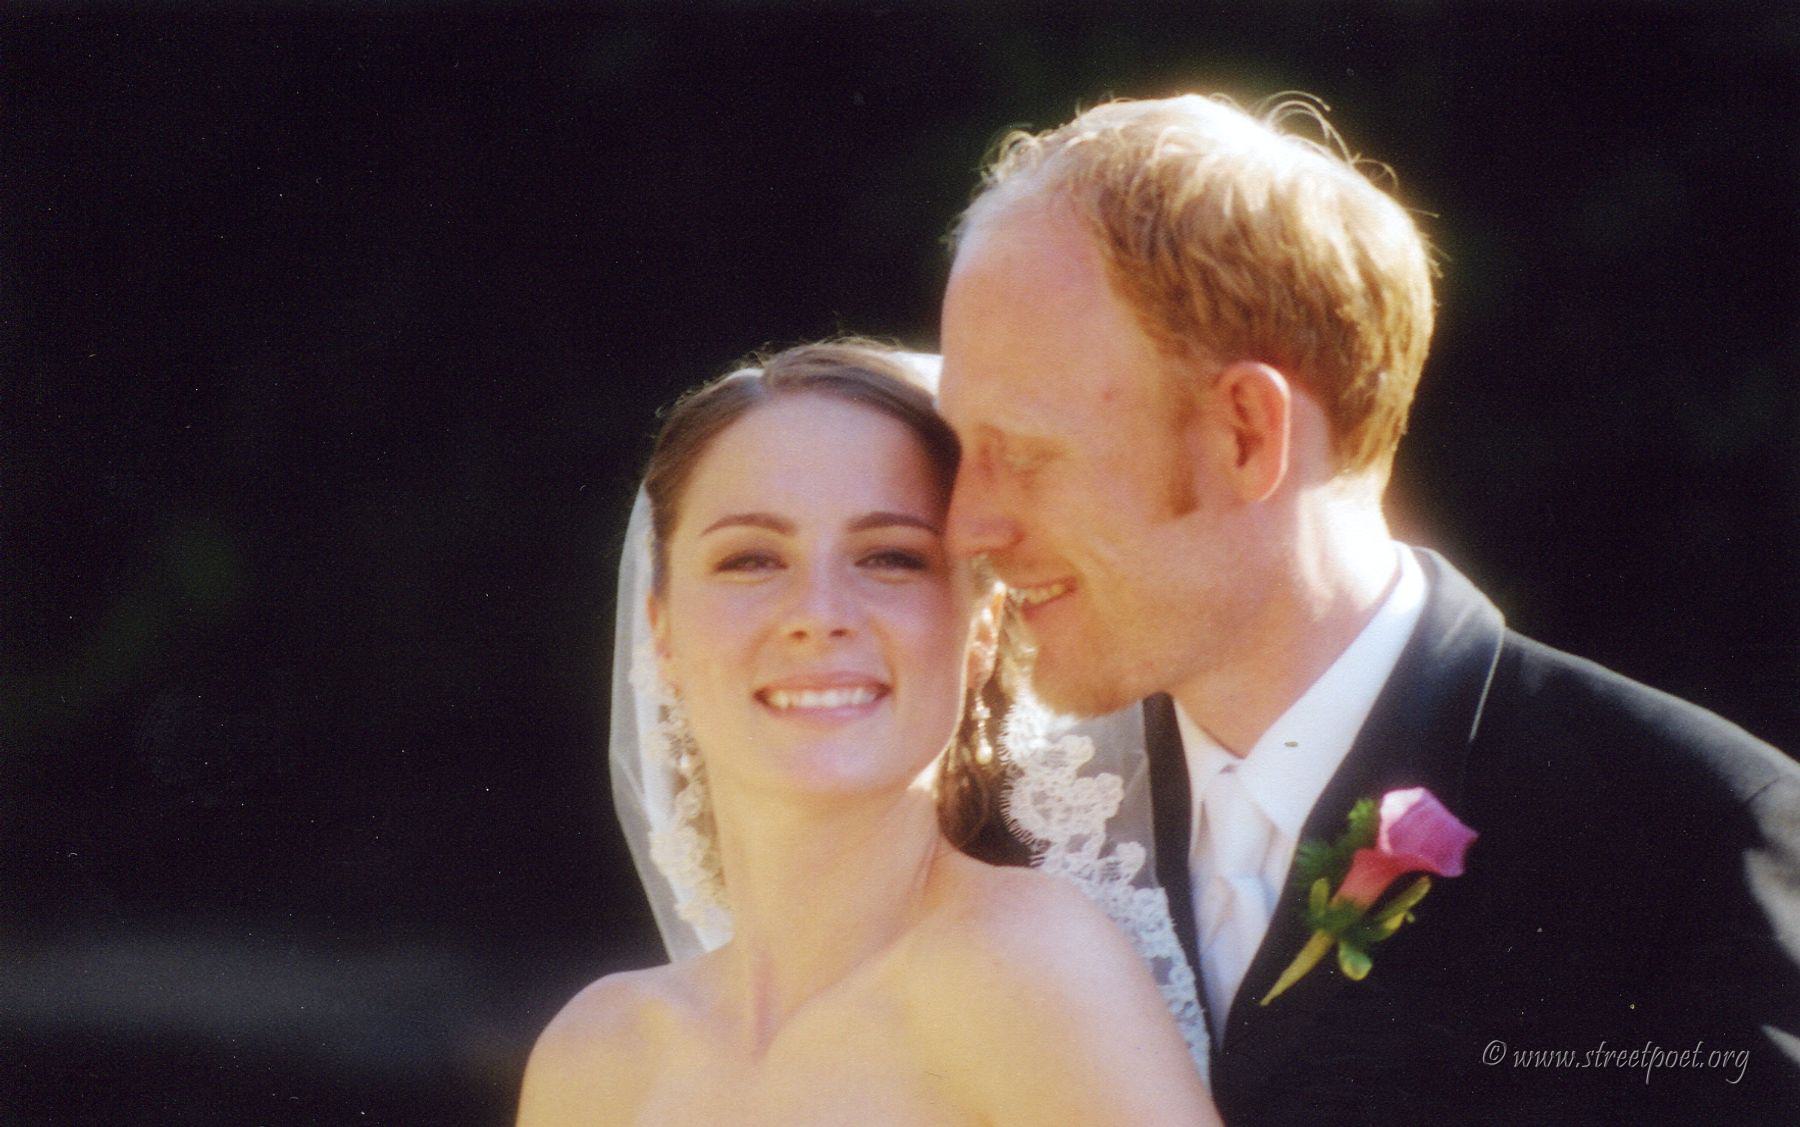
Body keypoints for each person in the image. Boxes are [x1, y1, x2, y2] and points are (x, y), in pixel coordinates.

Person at [937, 94, 1800, 1120]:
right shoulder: (990, 834)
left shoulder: (1687, 842)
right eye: (959, 448)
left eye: (1025, 453)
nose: (966, 524)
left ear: (1246, 433)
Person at [516, 342, 1219, 1125]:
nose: (819, 613)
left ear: (982, 627)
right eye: (751, 559)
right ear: (663, 631)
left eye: (889, 557)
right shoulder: (598, 1055)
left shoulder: (1026, 965)